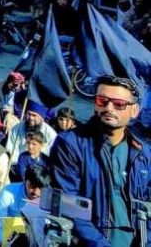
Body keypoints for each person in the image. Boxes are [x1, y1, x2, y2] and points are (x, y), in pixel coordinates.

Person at [49, 75, 151, 246]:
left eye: (119, 104)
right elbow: (69, 206)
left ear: (134, 110)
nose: (109, 108)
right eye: (102, 100)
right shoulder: (71, 144)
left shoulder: (143, 152)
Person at [0, 165, 51, 247]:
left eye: (40, 188)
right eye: (32, 186)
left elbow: (47, 224)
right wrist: (3, 240)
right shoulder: (8, 193)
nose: (36, 192)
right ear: (25, 181)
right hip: (9, 236)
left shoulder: (47, 196)